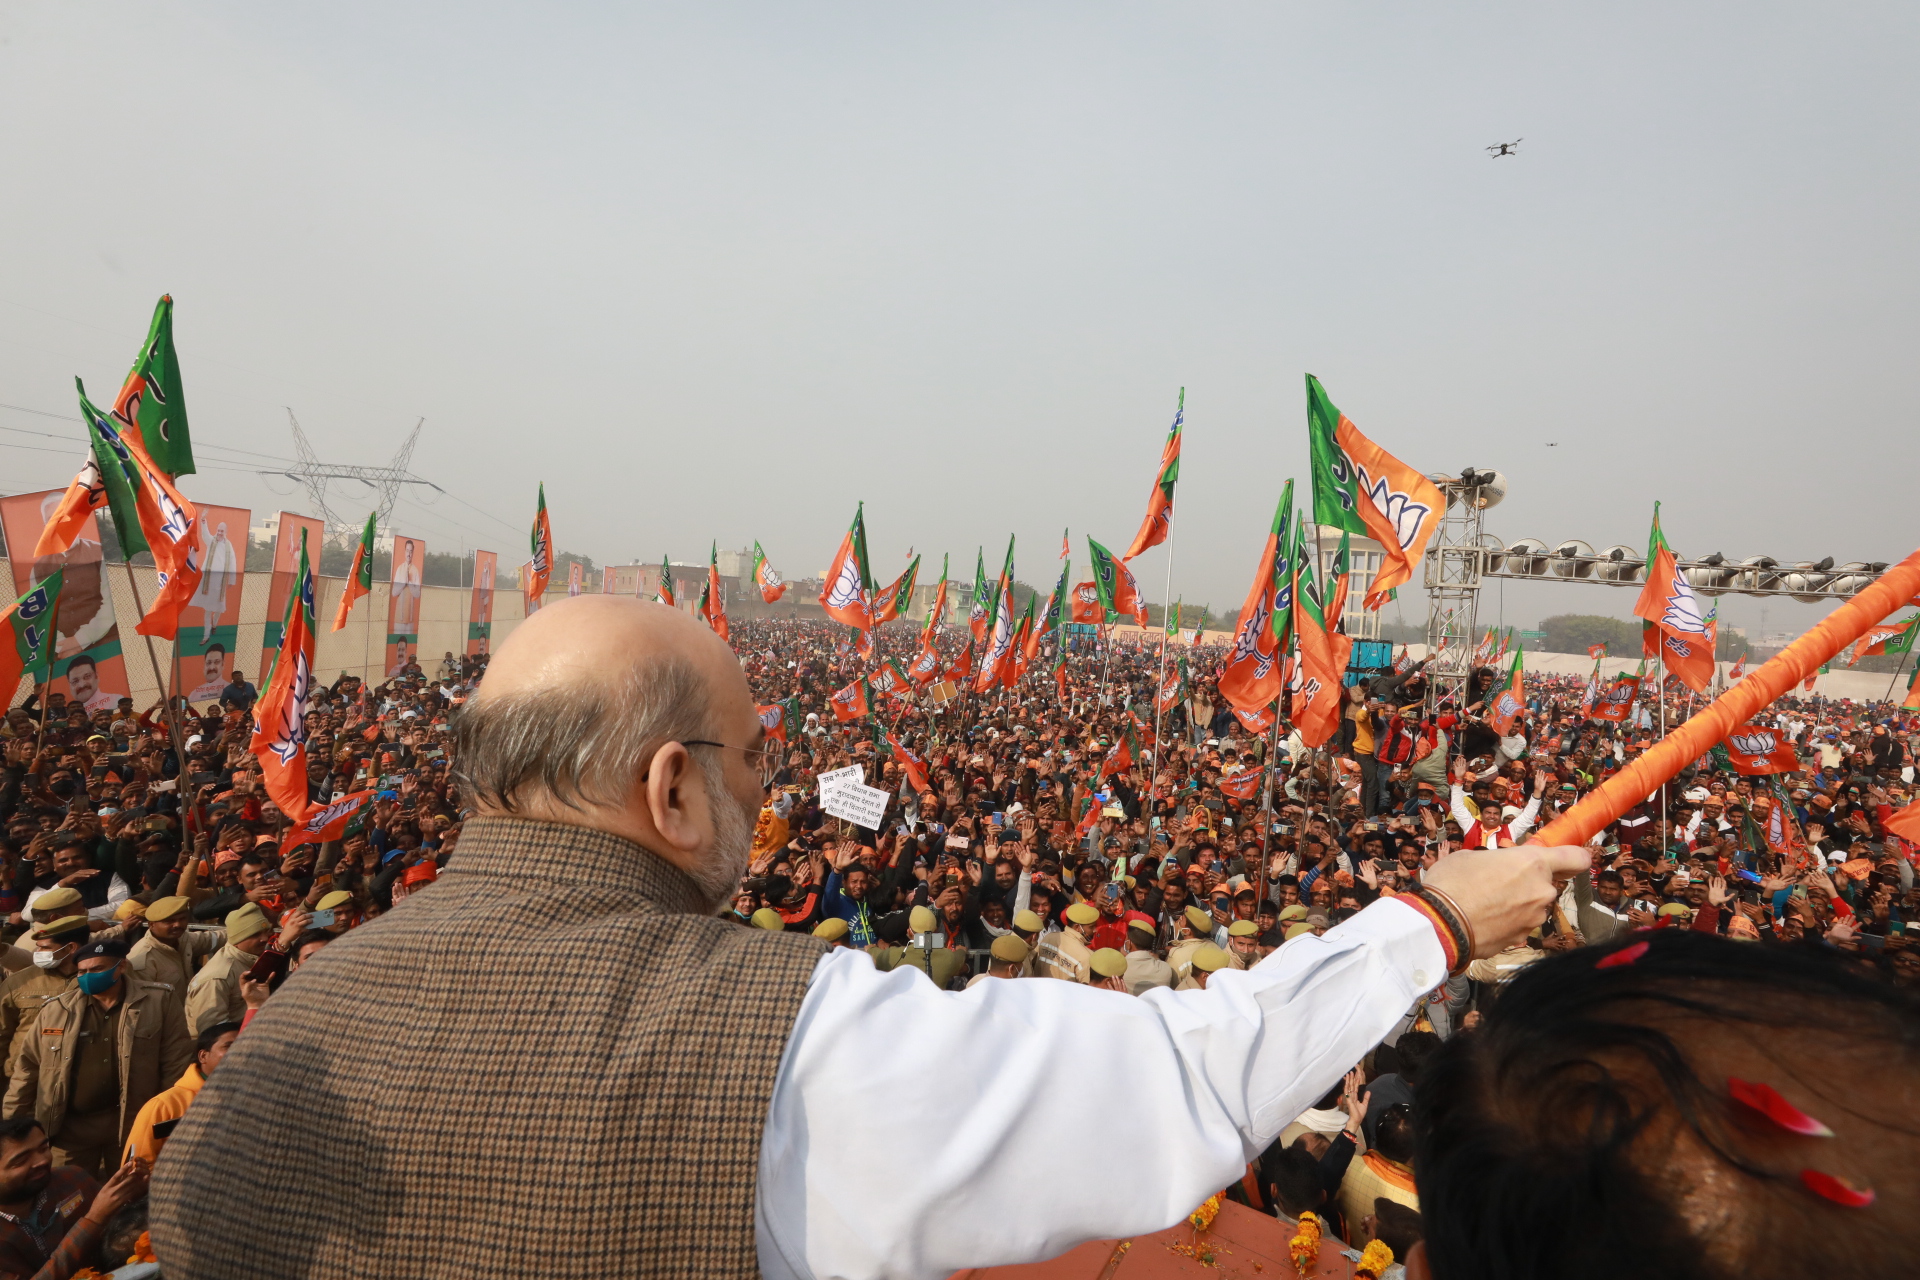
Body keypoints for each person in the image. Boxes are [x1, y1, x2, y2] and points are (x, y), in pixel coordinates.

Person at [148, 596, 1584, 1280]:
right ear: (666, 785)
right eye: (751, 765)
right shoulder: (779, 1038)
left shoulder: (297, 1030)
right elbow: (1173, 1084)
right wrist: (1439, 918)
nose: (769, 800)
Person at [5, 937, 193, 1176]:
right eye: (82, 971)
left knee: (129, 1193)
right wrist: (11, 1123)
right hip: (70, 1130)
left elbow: (175, 1065)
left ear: (121, 967)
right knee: (70, 1198)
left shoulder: (158, 1002)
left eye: (97, 969)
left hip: (131, 1126)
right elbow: (27, 1070)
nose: (87, 976)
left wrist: (165, 1122)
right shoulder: (57, 1010)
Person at [0, 1116, 150, 1280]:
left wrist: (130, 1200)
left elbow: (118, 1239)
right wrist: (93, 1221)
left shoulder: (73, 1179)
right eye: (22, 1160)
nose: (42, 1161)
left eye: (43, 1149)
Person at [123, 1020, 241, 1165]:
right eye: (229, 1046)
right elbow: (137, 1167)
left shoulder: (254, 1099)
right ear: (203, 1056)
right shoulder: (164, 1106)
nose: (241, 1052)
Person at [183, 905, 273, 1035]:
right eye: (255, 934)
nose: (264, 939)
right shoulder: (217, 976)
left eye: (266, 932)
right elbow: (213, 1031)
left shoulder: (250, 958)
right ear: (237, 939)